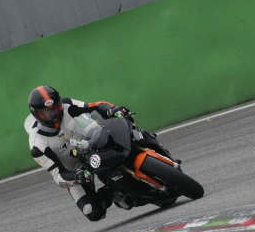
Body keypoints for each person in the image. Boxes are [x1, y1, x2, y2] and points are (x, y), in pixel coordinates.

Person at [25, 85, 175, 221]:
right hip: (75, 168)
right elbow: (58, 175)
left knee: (126, 129)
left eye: (55, 108)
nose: (53, 114)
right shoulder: (38, 145)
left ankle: (152, 144)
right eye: (45, 113)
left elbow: (94, 106)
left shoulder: (67, 105)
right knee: (92, 211)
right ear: (36, 114)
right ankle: (113, 193)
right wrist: (77, 176)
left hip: (90, 145)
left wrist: (112, 109)